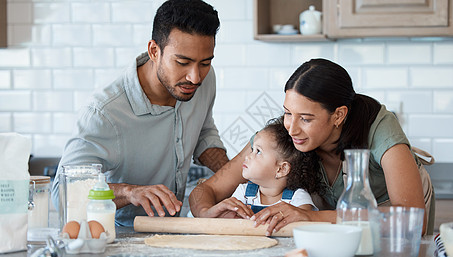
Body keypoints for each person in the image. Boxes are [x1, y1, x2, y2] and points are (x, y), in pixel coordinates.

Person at [189, 58, 433, 235]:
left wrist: (312, 216)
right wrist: (205, 212)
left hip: (389, 210)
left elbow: (411, 219)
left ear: (338, 115)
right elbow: (208, 189)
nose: (292, 129)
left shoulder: (380, 127)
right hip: (335, 217)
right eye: (287, 113)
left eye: (306, 119)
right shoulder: (282, 136)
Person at [52, 0, 229, 227]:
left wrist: (236, 177)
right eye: (182, 62)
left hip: (173, 231)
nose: (195, 77)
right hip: (119, 238)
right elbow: (63, 193)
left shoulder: (203, 80)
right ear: (154, 51)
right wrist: (129, 192)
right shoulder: (104, 113)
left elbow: (202, 133)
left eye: (204, 63)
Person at [227, 118, 319, 217]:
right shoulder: (242, 192)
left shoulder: (298, 198)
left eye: (258, 151)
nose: (247, 156)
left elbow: (305, 220)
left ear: (281, 169)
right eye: (252, 149)